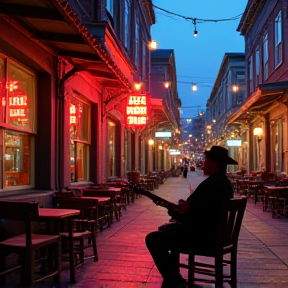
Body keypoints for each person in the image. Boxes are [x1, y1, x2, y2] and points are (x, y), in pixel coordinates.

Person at [145, 146, 238, 288]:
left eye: (206, 160)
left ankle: (175, 281)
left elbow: (187, 211)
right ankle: (173, 280)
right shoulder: (225, 183)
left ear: (213, 163)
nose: (203, 163)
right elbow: (199, 209)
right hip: (215, 235)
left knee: (153, 239)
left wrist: (176, 212)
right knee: (167, 231)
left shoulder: (210, 184)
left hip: (202, 238)